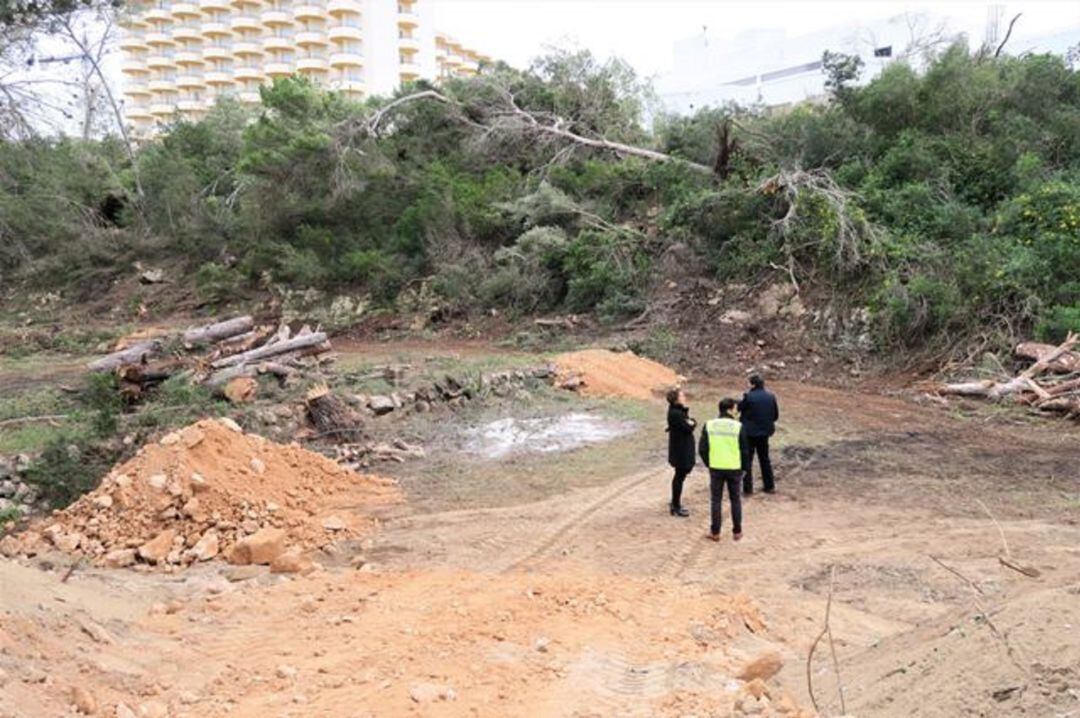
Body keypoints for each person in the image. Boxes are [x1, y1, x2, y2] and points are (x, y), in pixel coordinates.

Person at [698, 397, 745, 542]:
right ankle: (737, 531)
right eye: (735, 408)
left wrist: (709, 463)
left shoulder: (709, 425)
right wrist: (744, 467)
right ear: (730, 409)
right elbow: (745, 450)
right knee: (735, 499)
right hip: (734, 467)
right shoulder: (738, 426)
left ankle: (715, 532)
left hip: (716, 467)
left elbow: (702, 449)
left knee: (716, 500)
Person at [738, 373, 779, 495]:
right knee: (765, 459)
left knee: (747, 460)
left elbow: (740, 408)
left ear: (753, 384)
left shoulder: (748, 396)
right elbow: (775, 415)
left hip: (749, 433)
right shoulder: (771, 396)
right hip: (764, 432)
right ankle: (769, 486)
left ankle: (747, 488)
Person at [665, 387, 696, 517]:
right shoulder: (676, 413)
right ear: (676, 399)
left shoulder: (677, 411)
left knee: (680, 475)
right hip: (681, 450)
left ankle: (675, 502)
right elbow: (688, 427)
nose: (684, 398)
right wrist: (693, 423)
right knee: (680, 476)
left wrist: (691, 422)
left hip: (681, 448)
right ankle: (675, 505)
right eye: (681, 396)